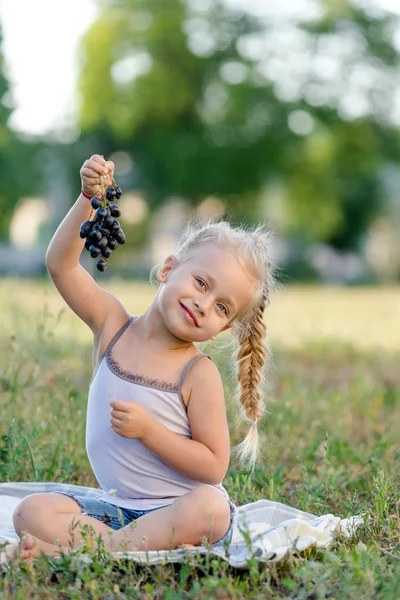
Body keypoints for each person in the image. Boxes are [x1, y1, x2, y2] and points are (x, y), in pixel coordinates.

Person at [13, 154, 276, 562]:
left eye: (223, 308)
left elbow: (212, 469)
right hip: (116, 509)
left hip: (177, 510)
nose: (205, 305)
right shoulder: (112, 325)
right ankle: (123, 547)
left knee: (210, 507)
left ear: (222, 329)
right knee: (32, 511)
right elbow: (60, 266)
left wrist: (151, 431)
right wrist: (89, 199)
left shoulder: (196, 373)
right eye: (201, 282)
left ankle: (94, 552)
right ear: (168, 269)